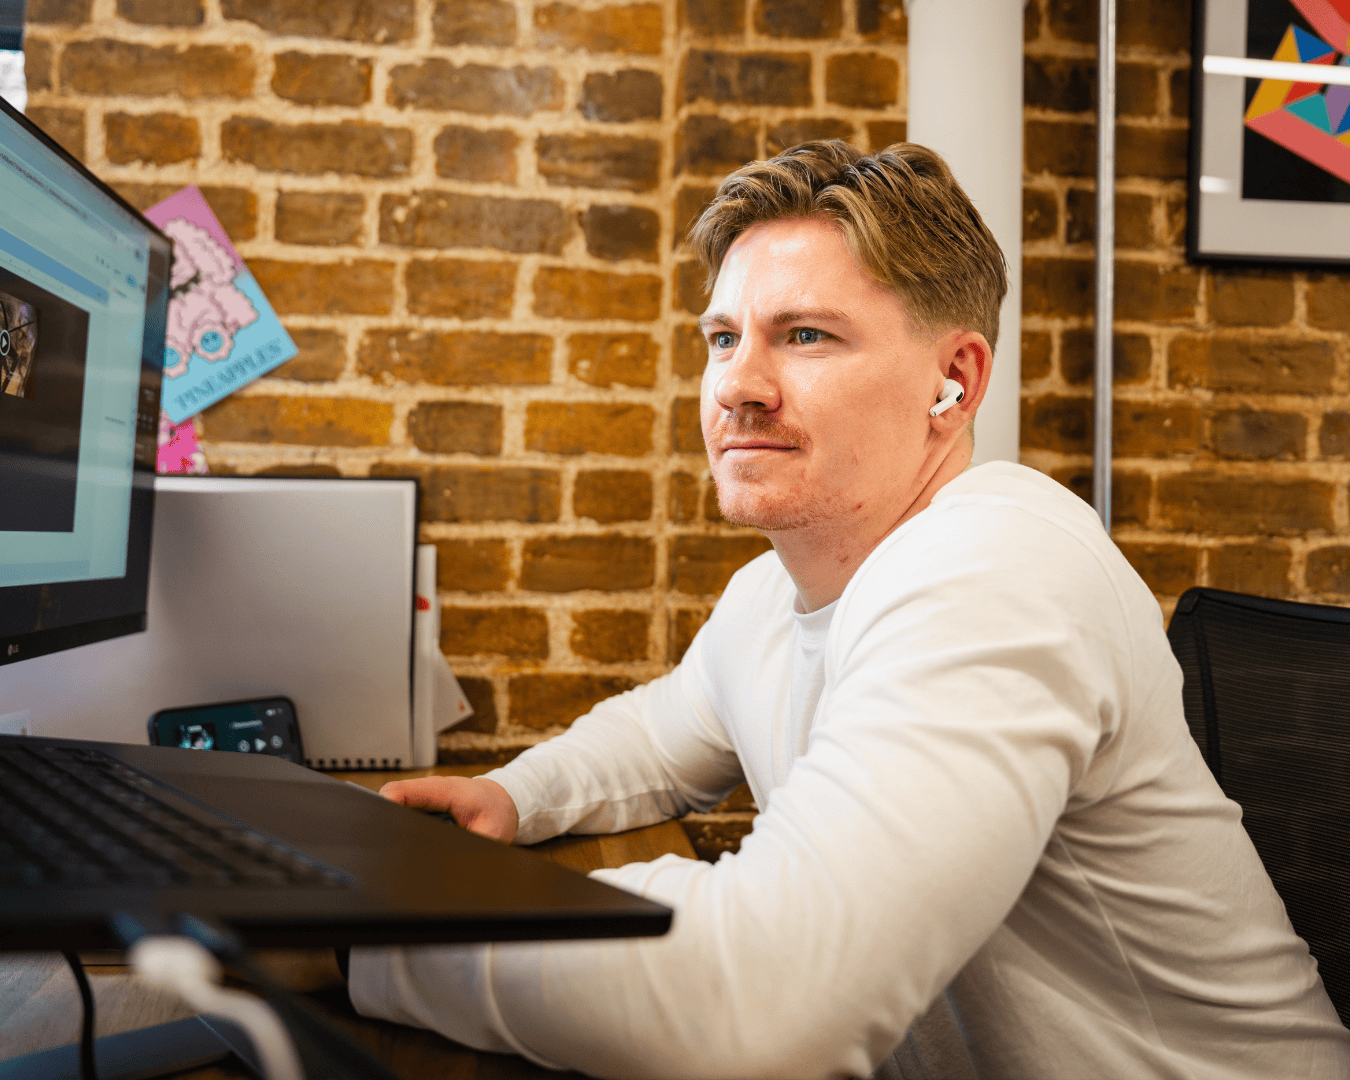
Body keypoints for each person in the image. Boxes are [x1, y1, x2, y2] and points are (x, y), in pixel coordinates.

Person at [349, 142, 1349, 1079]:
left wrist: (366, 943)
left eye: (806, 336)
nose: (737, 385)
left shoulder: (999, 571)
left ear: (952, 384)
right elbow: (663, 733)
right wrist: (518, 794)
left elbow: (771, 999)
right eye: (723, 338)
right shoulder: (776, 591)